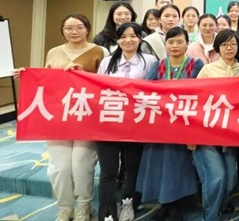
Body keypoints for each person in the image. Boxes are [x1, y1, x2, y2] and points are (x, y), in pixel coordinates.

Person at [22, 14, 108, 221]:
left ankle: (84, 205)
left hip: (87, 116)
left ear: (87, 29)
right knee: (59, 167)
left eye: (79, 27)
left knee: (81, 164)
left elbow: (107, 83)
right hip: (57, 118)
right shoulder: (53, 52)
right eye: (69, 28)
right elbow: (45, 81)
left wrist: (84, 75)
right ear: (62, 31)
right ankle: (65, 206)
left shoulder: (100, 51)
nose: (74, 31)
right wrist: (26, 76)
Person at [137, 27, 203, 220]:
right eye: (171, 42)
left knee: (179, 165)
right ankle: (164, 204)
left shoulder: (196, 65)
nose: (175, 46)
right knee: (160, 165)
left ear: (187, 44)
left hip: (185, 124)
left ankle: (178, 206)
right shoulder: (158, 65)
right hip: (161, 127)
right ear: (165, 44)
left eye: (179, 42)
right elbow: (145, 91)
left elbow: (201, 95)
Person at [97, 22, 155, 221]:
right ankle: (107, 212)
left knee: (132, 166)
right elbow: (96, 89)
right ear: (117, 39)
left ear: (140, 38)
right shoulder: (107, 62)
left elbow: (155, 89)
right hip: (109, 123)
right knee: (108, 170)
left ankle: (128, 203)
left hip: (136, 124)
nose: (128, 40)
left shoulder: (149, 61)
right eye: (123, 37)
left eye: (133, 36)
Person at [191, 29, 239, 221]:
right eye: (224, 44)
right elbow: (195, 101)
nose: (229, 48)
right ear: (218, 48)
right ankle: (210, 216)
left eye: (233, 44)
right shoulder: (208, 70)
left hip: (230, 135)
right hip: (206, 133)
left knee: (230, 180)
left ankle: (218, 209)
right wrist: (191, 134)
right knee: (217, 177)